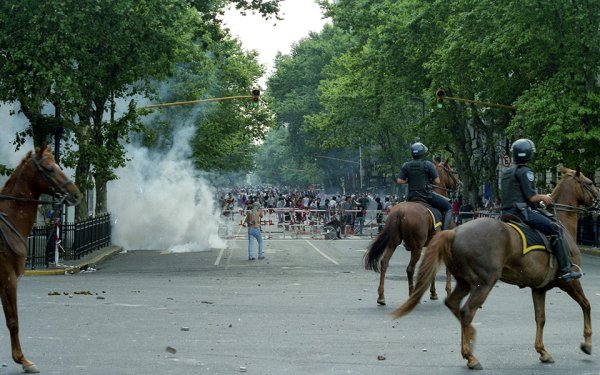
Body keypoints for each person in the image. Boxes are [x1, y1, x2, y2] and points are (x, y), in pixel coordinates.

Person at [500, 138, 581, 282]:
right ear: (528, 154)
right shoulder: (525, 171)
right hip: (522, 212)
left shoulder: (507, 171)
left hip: (506, 212)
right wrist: (544, 197)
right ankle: (565, 270)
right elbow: (531, 197)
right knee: (556, 229)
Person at [396, 142, 453, 229]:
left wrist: (408, 181)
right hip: (426, 196)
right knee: (449, 207)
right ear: (422, 153)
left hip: (411, 196)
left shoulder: (406, 165)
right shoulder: (428, 164)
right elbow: (437, 181)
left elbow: (399, 181)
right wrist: (429, 180)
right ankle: (445, 231)